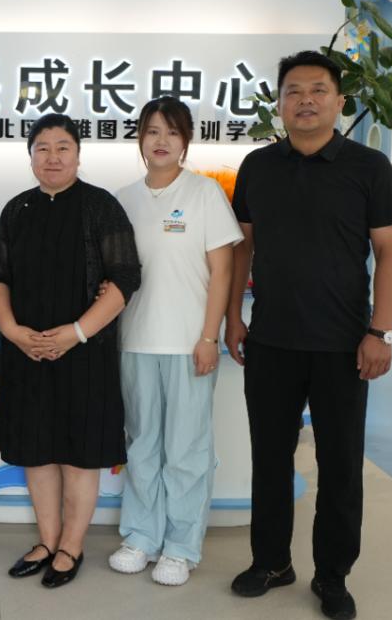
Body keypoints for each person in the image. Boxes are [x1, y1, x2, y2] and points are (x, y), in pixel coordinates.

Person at [225, 50, 392, 620]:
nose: (306, 100)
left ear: (339, 100)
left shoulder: (369, 168)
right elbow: (242, 247)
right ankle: (272, 562)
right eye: (294, 91)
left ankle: (332, 576)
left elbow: (390, 251)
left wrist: (381, 332)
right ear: (279, 103)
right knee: (269, 459)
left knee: (341, 466)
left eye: (318, 90)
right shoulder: (257, 166)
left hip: (343, 345)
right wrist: (233, 317)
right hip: (271, 340)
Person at [0, 113, 141, 589]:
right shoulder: (17, 209)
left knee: (79, 454)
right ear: (31, 156)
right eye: (42, 148)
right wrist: (12, 330)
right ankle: (47, 541)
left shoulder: (101, 206)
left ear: (78, 154)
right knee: (36, 450)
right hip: (26, 352)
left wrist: (75, 333)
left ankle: (72, 545)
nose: (52, 157)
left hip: (85, 353)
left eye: (62, 148)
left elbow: (126, 278)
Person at [107, 97, 242, 586]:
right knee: (142, 444)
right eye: (152, 131)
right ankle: (141, 536)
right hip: (135, 340)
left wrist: (209, 336)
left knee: (186, 450)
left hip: (189, 343)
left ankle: (181, 547)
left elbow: (223, 270)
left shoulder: (205, 193)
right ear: (140, 139)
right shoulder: (122, 199)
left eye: (172, 131)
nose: (161, 141)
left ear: (186, 140)